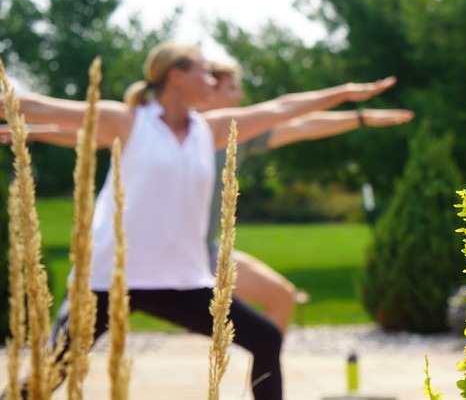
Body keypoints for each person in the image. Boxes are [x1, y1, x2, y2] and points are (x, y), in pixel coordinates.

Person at [0, 40, 398, 399]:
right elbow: (36, 105)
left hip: (181, 280)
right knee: (46, 376)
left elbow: (280, 109)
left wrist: (344, 94)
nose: (212, 79)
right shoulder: (127, 121)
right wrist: (25, 124)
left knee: (264, 338)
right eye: (204, 71)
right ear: (176, 76)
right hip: (110, 279)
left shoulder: (210, 131)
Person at [202, 60, 413, 335]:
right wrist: (347, 92)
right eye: (231, 88)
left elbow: (302, 125)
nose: (239, 95)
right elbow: (282, 108)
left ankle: (265, 374)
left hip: (204, 251)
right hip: (165, 253)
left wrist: (361, 117)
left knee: (282, 297)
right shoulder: (181, 132)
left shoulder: (238, 135)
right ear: (208, 90)